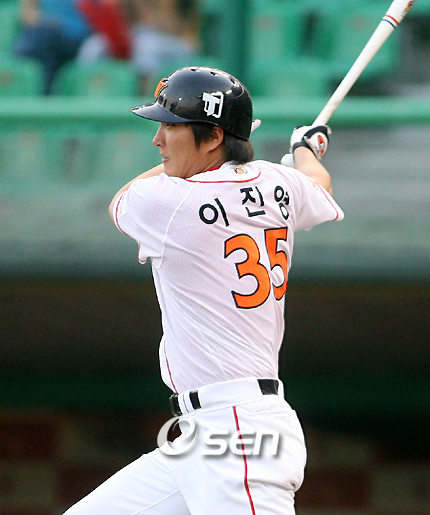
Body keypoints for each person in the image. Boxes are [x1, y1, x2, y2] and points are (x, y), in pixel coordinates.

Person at [63, 66, 344, 515]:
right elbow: (318, 185)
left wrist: (277, 152)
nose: (157, 140)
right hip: (205, 434)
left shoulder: (168, 201)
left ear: (213, 136)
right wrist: (305, 151)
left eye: (171, 127)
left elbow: (122, 198)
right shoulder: (279, 181)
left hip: (240, 432)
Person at [13, 0, 91, 95]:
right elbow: (28, 16)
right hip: (45, 36)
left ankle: (46, 94)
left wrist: (57, 24)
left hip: (77, 37)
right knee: (42, 37)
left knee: (42, 39)